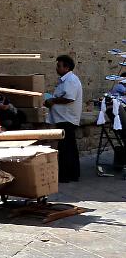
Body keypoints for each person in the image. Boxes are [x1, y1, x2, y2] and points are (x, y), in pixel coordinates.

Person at [46, 54, 83, 182]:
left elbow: (69, 98)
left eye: (59, 66)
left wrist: (52, 100)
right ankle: (72, 174)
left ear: (66, 68)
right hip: (63, 118)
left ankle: (66, 175)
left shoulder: (71, 80)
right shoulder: (65, 80)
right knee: (68, 147)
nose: (57, 68)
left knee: (66, 149)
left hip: (67, 119)